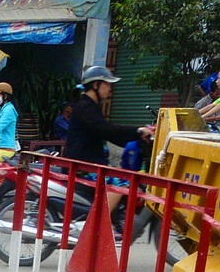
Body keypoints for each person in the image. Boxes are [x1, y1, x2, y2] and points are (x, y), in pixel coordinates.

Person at [64, 65, 155, 221]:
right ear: (96, 85)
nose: (110, 89)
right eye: (107, 84)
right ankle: (96, 224)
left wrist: (137, 136)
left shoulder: (89, 106)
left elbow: (109, 133)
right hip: (83, 165)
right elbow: (106, 130)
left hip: (91, 162)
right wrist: (137, 131)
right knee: (122, 184)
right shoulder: (85, 107)